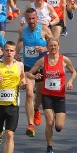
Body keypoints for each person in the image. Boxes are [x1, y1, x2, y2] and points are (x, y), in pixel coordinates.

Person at [26, 39, 76, 153]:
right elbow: (28, 73)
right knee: (49, 122)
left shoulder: (64, 60)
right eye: (50, 46)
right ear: (47, 47)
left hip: (59, 96)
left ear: (58, 46)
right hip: (47, 95)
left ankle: (58, 124)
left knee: (59, 126)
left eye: (55, 45)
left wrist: (70, 81)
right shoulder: (43, 60)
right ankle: (49, 147)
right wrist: (34, 76)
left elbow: (74, 72)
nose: (53, 47)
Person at [17, 7, 54, 137]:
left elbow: (54, 44)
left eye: (33, 18)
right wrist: (16, 53)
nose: (31, 21)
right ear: (25, 19)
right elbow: (20, 41)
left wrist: (45, 48)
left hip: (41, 67)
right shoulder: (22, 30)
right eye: (29, 19)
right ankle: (30, 125)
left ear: (37, 18)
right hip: (28, 67)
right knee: (28, 93)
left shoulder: (44, 29)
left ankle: (37, 109)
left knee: (39, 94)